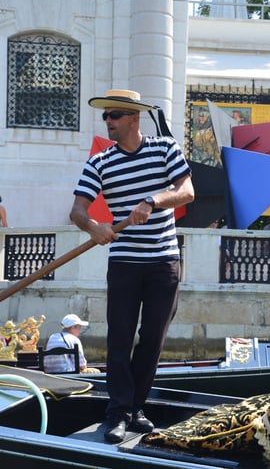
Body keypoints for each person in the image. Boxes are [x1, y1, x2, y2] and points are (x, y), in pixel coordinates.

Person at [70, 89, 194, 444]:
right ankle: (119, 412)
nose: (107, 121)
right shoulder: (100, 163)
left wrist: (152, 200)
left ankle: (135, 407)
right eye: (106, 116)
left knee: (153, 337)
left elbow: (186, 191)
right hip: (124, 262)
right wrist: (94, 227)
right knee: (120, 337)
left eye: (114, 115)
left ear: (133, 118)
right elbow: (78, 210)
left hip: (164, 261)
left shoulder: (165, 149)